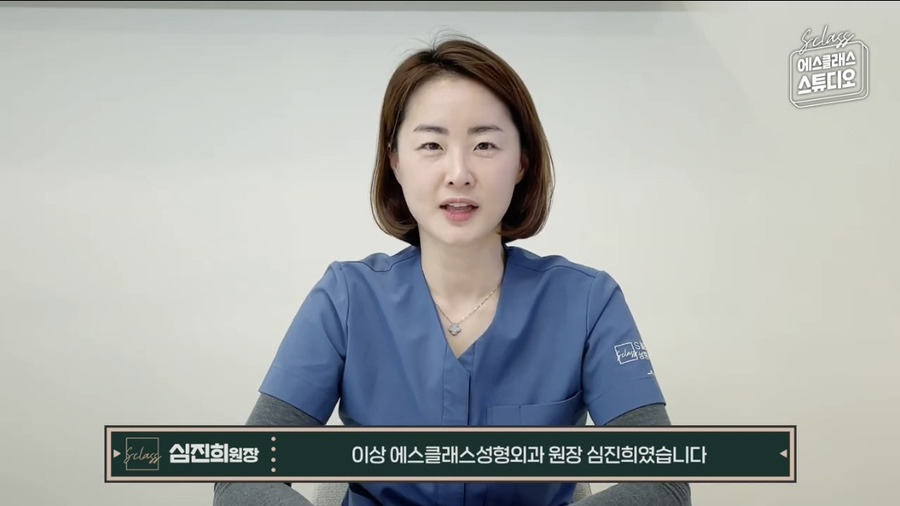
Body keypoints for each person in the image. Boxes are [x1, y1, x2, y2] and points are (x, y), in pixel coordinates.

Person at [214, 34, 691, 506]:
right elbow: (242, 478)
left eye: (484, 144)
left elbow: (662, 483)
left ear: (521, 162)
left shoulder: (587, 302)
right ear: (396, 162)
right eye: (431, 145)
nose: (459, 173)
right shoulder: (346, 298)